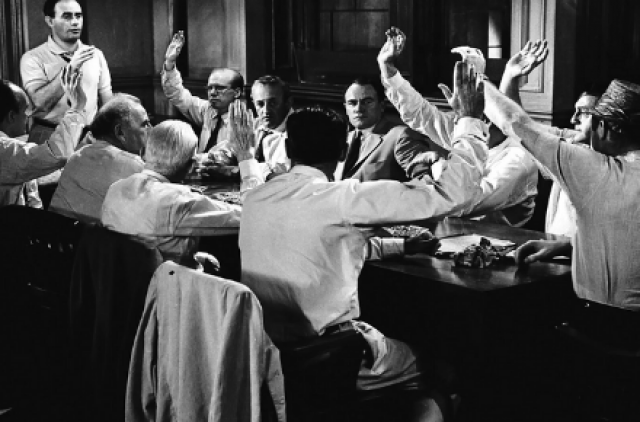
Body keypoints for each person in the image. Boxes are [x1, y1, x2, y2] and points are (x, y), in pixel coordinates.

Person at [239, 60, 488, 422]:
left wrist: (402, 245)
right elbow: (453, 194)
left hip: (269, 354)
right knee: (444, 365)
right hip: (330, 357)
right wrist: (469, 121)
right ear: (343, 152)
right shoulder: (343, 198)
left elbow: (323, 246)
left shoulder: (254, 199)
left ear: (288, 148)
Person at [486, 76, 640, 314]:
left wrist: (478, 80)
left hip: (607, 324)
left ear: (604, 126)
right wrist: (569, 246)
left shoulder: (597, 170)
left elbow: (515, 123)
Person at [378, 27, 540, 227]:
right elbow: (419, 114)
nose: (457, 119)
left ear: (488, 117)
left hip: (502, 241)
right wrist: (387, 67)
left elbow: (466, 200)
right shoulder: (470, 129)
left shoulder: (518, 160)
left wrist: (434, 165)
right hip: (457, 232)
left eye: (465, 108)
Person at [101, 120, 242, 268]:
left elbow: (139, 245)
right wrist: (247, 159)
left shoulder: (115, 189)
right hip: (168, 279)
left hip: (126, 275)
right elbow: (247, 217)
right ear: (192, 166)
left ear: (143, 153)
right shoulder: (179, 201)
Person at [49, 94, 151, 223]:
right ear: (120, 132)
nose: (150, 129)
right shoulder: (134, 166)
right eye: (145, 124)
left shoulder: (77, 156)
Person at [20, 0, 112, 138]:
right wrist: (71, 69)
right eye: (67, 17)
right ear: (50, 21)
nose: (75, 22)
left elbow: (107, 101)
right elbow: (40, 103)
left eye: (78, 16)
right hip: (49, 135)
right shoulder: (32, 58)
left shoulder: (96, 55)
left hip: (89, 135)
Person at [0, 69, 87, 207]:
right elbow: (56, 154)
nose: (28, 116)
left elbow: (31, 167)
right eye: (25, 111)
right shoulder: (3, 149)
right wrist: (77, 108)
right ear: (11, 116)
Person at [162, 31, 244, 161]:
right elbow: (176, 94)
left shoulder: (244, 121)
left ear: (237, 92)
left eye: (220, 88)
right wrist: (170, 62)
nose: (213, 93)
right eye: (210, 88)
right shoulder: (208, 110)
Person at [337, 77, 437, 182]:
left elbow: (425, 183)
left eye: (367, 102)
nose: (358, 109)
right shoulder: (343, 138)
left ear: (382, 105)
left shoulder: (402, 136)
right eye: (352, 103)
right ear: (346, 108)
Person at [543, 91, 599, 237]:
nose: (573, 120)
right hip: (552, 244)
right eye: (575, 111)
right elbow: (519, 125)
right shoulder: (573, 144)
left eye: (584, 112)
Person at [250, 75, 293, 179]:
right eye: (260, 104)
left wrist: (249, 166)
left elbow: (284, 179)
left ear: (288, 102)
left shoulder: (299, 131)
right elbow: (230, 149)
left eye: (272, 103)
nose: (266, 111)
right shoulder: (256, 124)